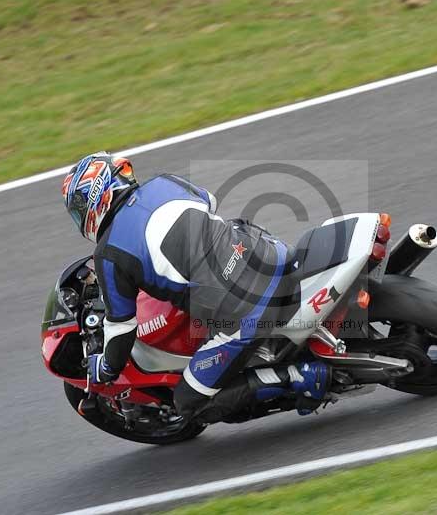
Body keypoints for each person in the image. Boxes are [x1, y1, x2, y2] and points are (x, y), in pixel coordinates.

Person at [61, 152, 330, 422]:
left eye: (79, 210)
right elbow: (208, 202)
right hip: (268, 252)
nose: (80, 219)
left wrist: (106, 367)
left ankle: (298, 375)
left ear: (96, 198)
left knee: (189, 402)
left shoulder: (109, 254)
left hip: (244, 311)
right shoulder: (164, 183)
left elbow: (121, 328)